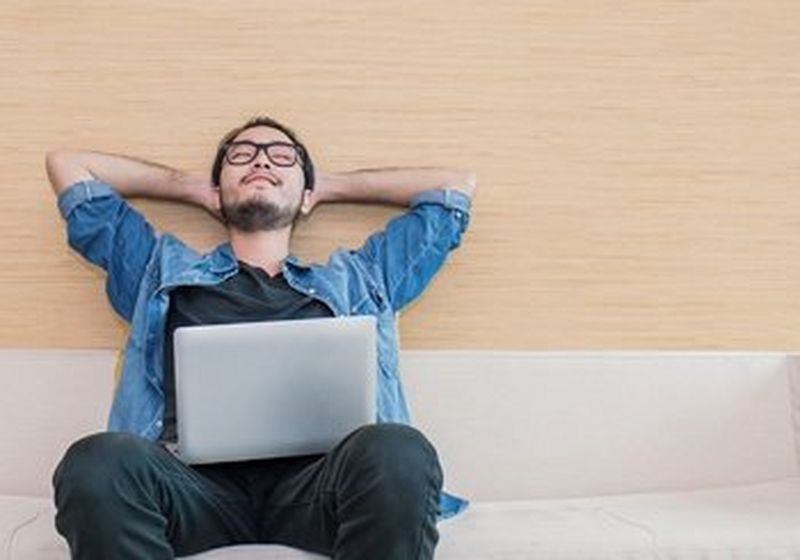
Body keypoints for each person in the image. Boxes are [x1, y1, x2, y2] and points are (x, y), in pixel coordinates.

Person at [45, 115, 476, 559]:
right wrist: (192, 188)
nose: (262, 161)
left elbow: (453, 189)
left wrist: (324, 187)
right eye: (242, 155)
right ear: (217, 189)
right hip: (190, 492)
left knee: (400, 450)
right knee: (96, 462)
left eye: (282, 156)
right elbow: (69, 167)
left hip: (322, 493)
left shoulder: (363, 277)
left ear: (307, 193)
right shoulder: (155, 267)